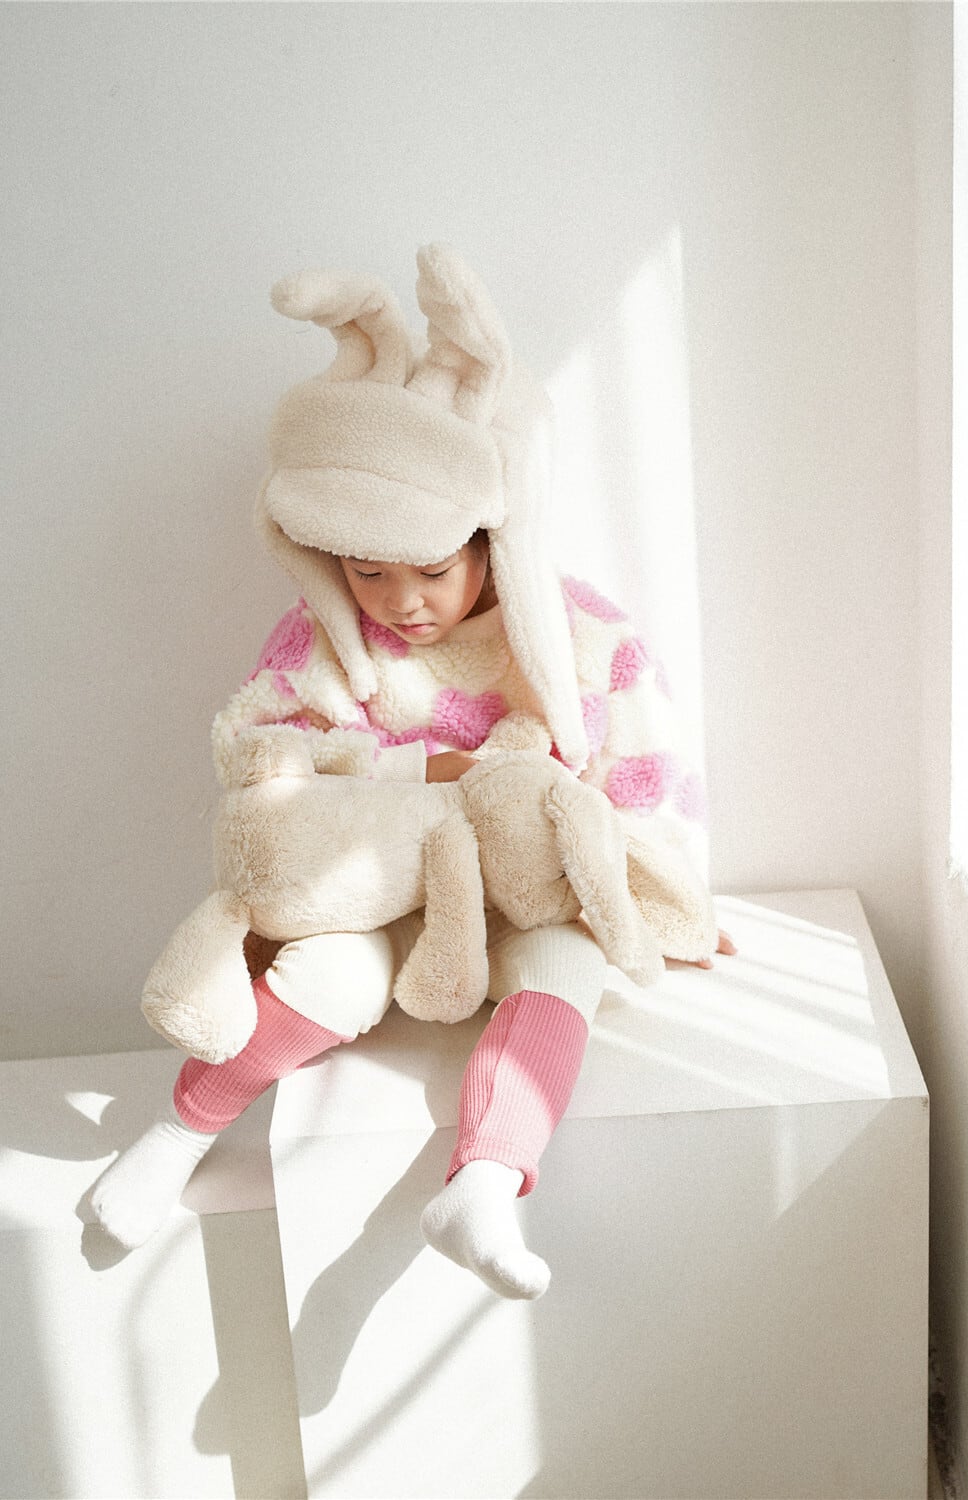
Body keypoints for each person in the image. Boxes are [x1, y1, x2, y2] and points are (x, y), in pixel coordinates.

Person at [86, 246, 727, 1300]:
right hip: (386, 902)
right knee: (330, 977)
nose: (401, 602)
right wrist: (425, 772)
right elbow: (268, 766)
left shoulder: (579, 636)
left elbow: (645, 775)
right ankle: (175, 1134)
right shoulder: (321, 645)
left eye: (431, 569)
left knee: (563, 968)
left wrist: (667, 886)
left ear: (488, 541)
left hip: (523, 901)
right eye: (366, 571)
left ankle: (485, 1183)